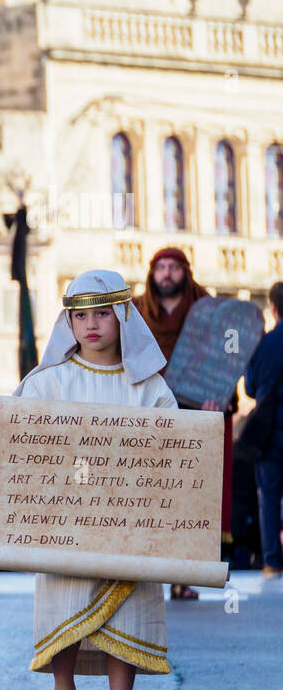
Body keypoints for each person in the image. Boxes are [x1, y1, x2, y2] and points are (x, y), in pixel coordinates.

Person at [13, 270, 177, 690]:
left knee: (125, 616)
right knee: (64, 607)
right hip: (65, 526)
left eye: (102, 313)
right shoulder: (47, 384)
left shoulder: (150, 389)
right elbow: (23, 446)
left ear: (123, 316)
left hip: (128, 526)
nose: (90, 324)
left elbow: (171, 453)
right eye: (80, 315)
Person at [134, 248, 233, 598]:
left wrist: (219, 396)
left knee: (189, 495)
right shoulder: (137, 311)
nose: (167, 274)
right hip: (153, 416)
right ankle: (142, 572)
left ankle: (182, 576)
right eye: (161, 267)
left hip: (195, 411)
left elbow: (224, 357)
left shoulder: (207, 308)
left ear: (185, 272)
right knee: (152, 494)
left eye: (174, 267)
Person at [244, 281, 283, 578]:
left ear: (272, 308)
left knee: (268, 496)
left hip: (270, 432)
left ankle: (272, 561)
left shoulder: (262, 344)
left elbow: (252, 388)